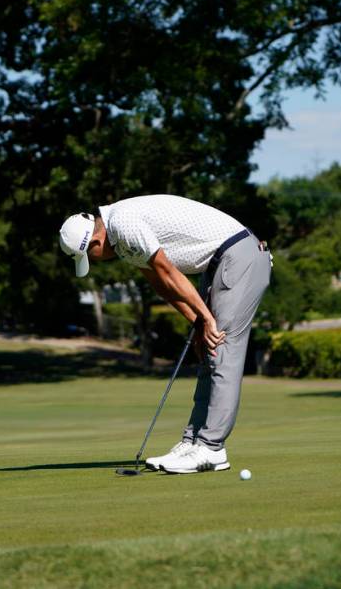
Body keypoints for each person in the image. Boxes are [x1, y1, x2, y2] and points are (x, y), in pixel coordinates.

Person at [58, 195, 271, 474]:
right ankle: (193, 440)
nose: (95, 261)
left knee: (221, 349)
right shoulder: (122, 241)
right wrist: (197, 322)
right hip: (219, 264)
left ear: (96, 242)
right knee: (209, 350)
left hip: (239, 256)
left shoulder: (123, 224)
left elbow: (168, 271)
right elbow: (161, 284)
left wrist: (206, 319)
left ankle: (212, 448)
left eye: (90, 257)